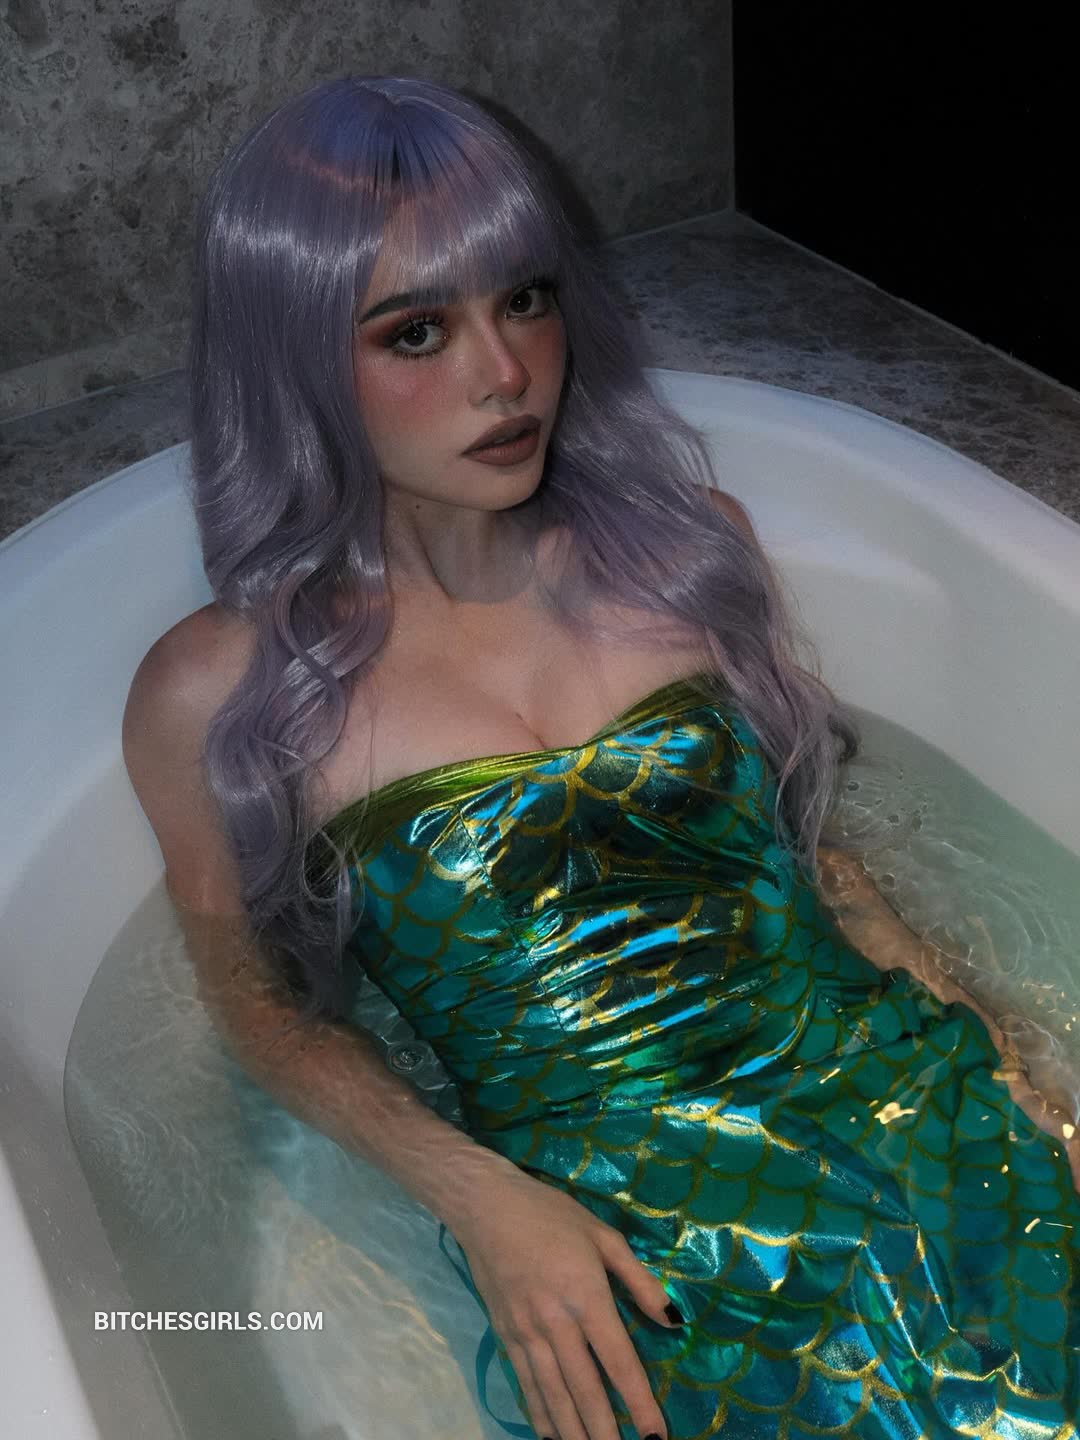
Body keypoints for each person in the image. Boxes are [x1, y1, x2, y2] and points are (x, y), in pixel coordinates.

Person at [122, 74, 1080, 1440]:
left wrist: (1000, 1063)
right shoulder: (219, 690)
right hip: (615, 1238)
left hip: (907, 1107)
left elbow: (808, 863)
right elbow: (262, 1014)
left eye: (524, 299)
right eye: (416, 331)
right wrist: (482, 1198)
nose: (505, 372)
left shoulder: (686, 555)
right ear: (295, 364)